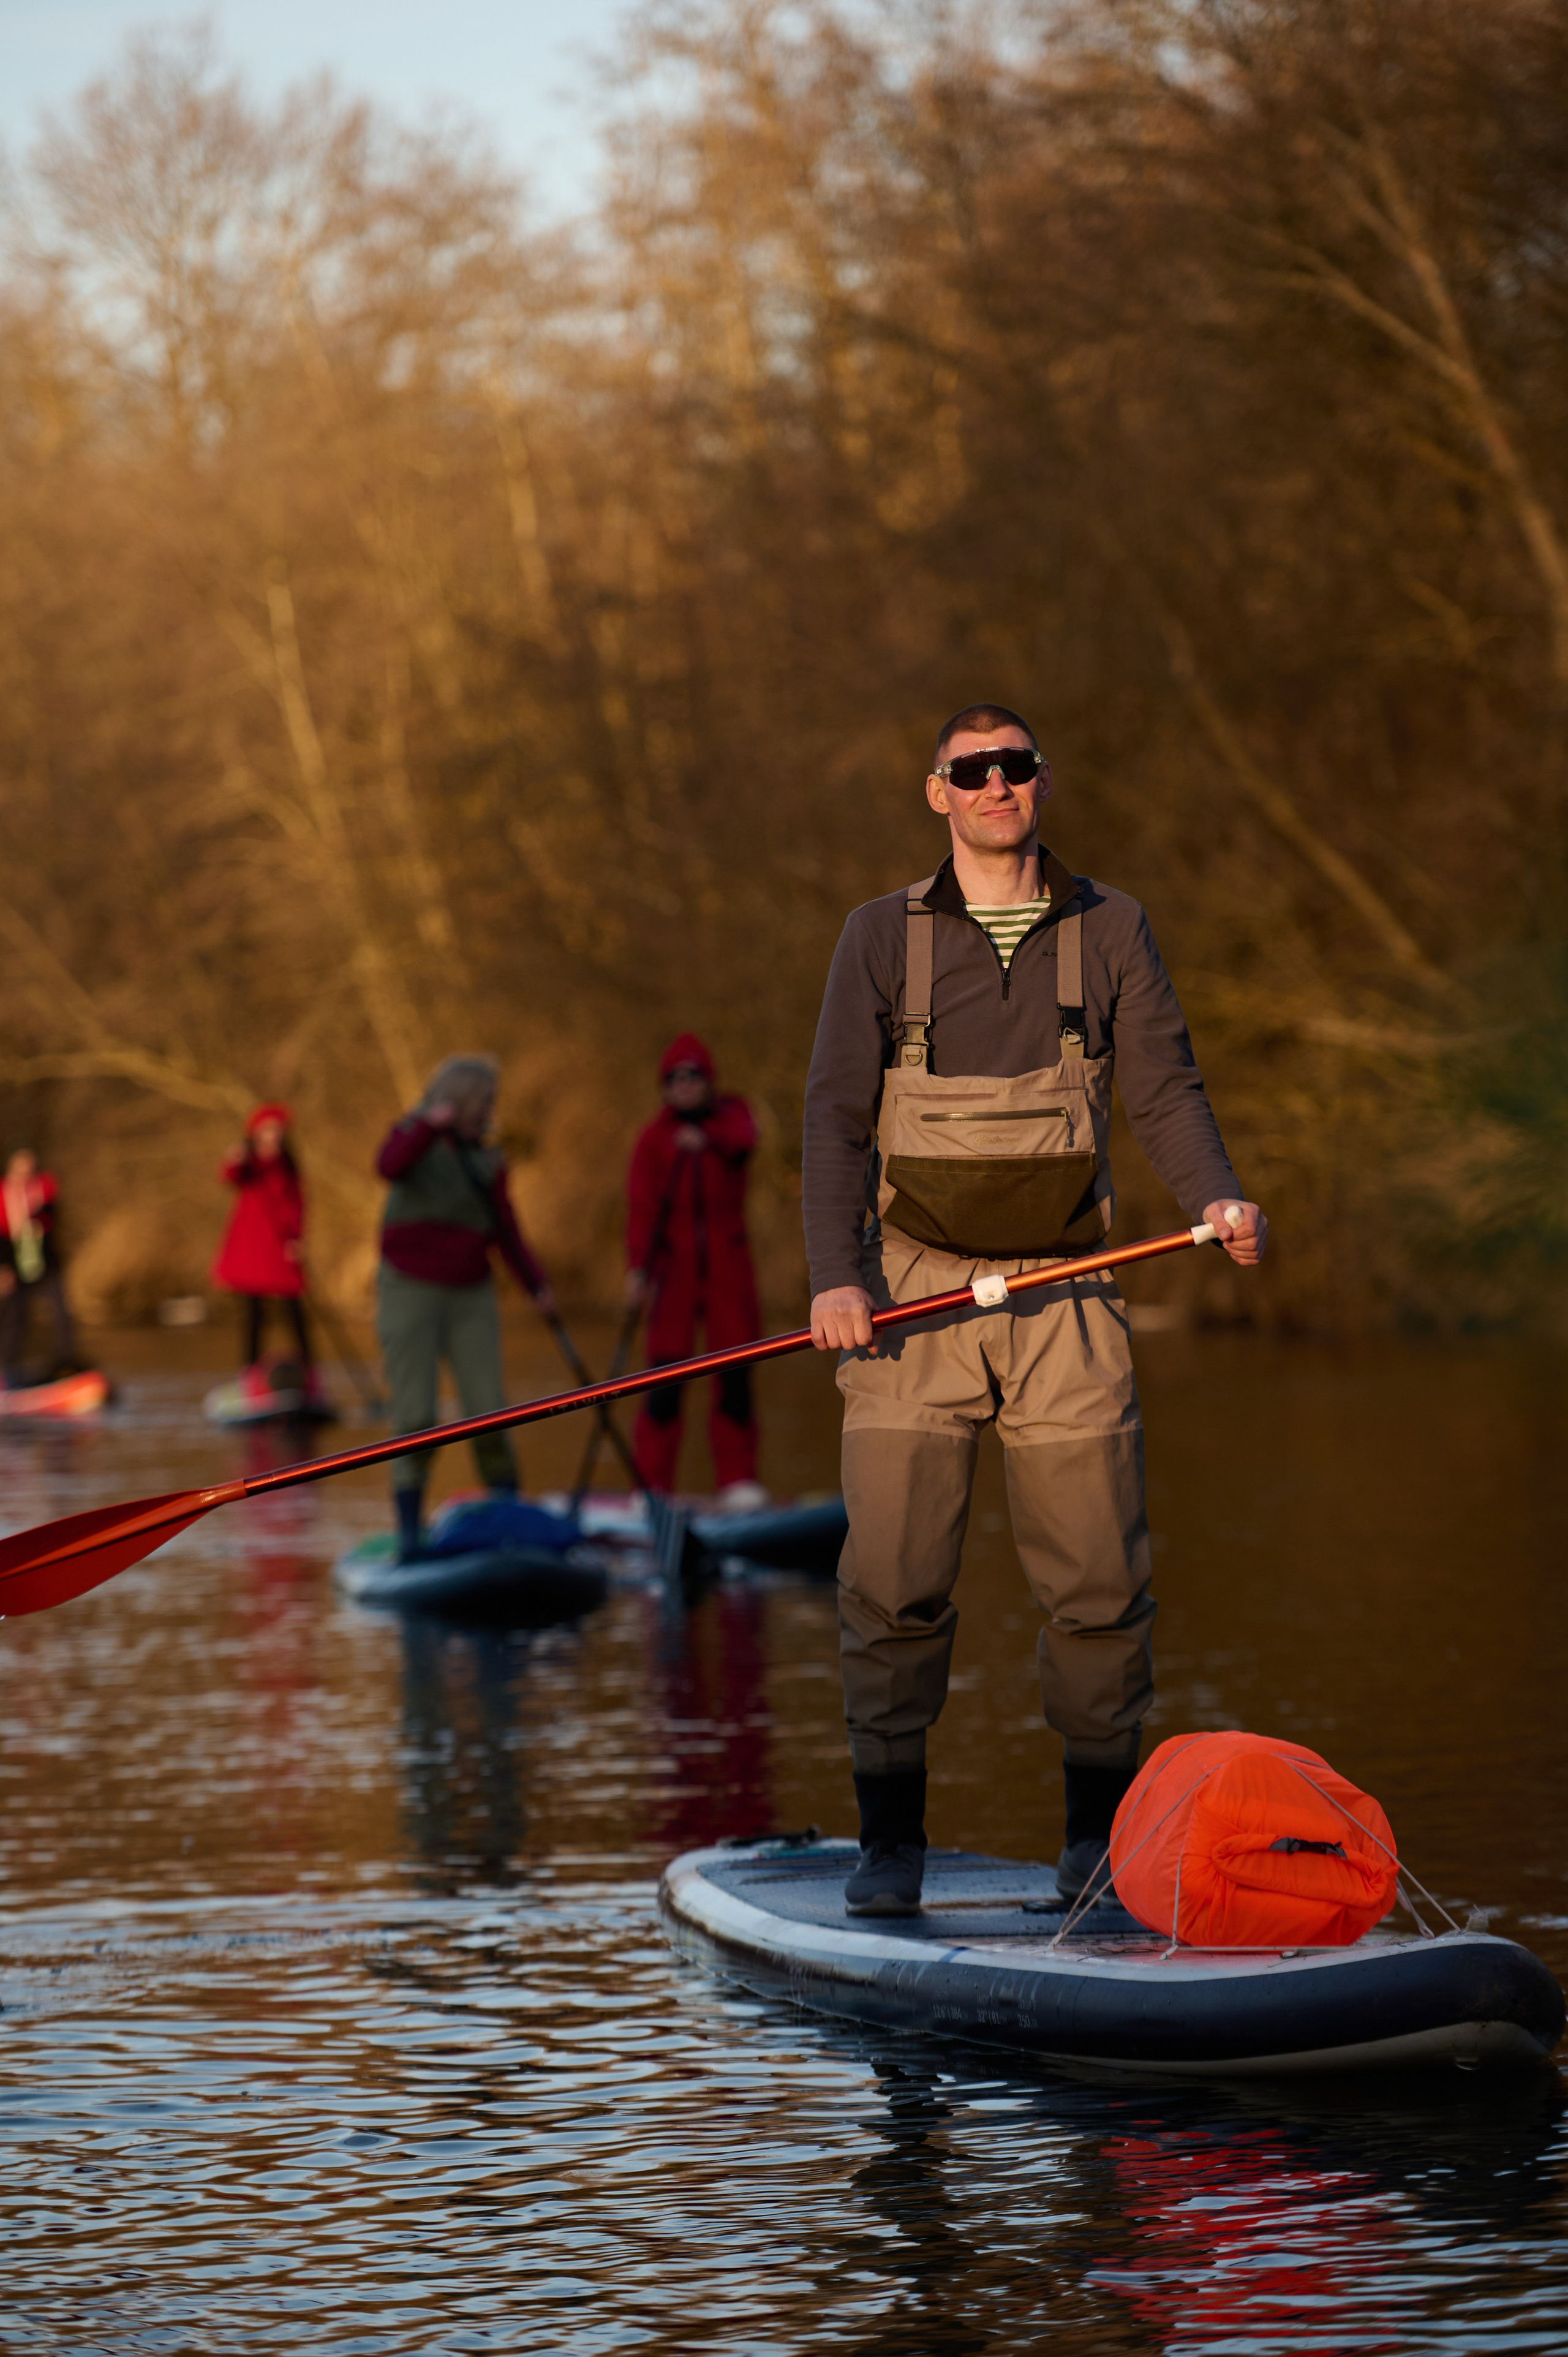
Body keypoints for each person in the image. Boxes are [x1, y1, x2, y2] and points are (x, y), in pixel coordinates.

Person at [803, 703, 1267, 1917]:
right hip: (907, 1300)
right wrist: (833, 1276)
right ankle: (887, 1849)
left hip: (1068, 1295)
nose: (996, 783)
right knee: (892, 1586)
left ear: (1038, 785)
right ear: (937, 792)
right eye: (974, 769)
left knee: (1097, 1587)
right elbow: (834, 1121)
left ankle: (1090, 1853)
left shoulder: (1111, 928)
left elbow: (1164, 1089)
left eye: (1014, 766)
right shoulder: (874, 939)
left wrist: (1215, 1197)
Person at [375, 1054, 556, 1560]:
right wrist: (429, 1126)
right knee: (416, 1414)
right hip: (409, 1289)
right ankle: (410, 1534)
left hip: (471, 1293)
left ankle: (509, 1513)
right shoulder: (413, 1137)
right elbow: (387, 1166)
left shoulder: (486, 1159)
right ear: (461, 1101)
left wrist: (536, 1285)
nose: (491, 1112)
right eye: (486, 1102)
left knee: (489, 1409)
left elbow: (505, 1228)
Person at [626, 1034, 765, 1504]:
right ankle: (652, 1487)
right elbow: (642, 1208)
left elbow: (745, 1142)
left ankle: (739, 1485)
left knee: (735, 1380)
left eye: (693, 1077)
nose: (684, 1086)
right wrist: (637, 1270)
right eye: (674, 1079)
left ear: (708, 1081)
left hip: (729, 1267)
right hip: (673, 1273)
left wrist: (705, 1139)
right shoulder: (654, 1139)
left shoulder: (732, 1118)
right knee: (664, 1384)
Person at [212, 1104, 317, 1398]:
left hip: (281, 1249)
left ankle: (311, 1376)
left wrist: (298, 1238)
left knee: (295, 1312)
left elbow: (298, 1203)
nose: (272, 1136)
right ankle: (250, 1378)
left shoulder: (288, 1165)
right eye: (267, 1130)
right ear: (256, 1132)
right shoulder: (249, 1163)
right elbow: (230, 1175)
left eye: (277, 1130)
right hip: (251, 1249)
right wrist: (234, 1158)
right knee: (253, 1314)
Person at [0, 1147, 79, 1384]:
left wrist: (37, 1209)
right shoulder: (3, 1193)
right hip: (14, 1259)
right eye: (21, 1166)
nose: (26, 1172)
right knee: (15, 1316)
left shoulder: (45, 1187)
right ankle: (7, 1369)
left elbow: (53, 1213)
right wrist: (3, 1268)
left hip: (45, 1259)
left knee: (61, 1312)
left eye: (30, 1167)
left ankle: (67, 1363)